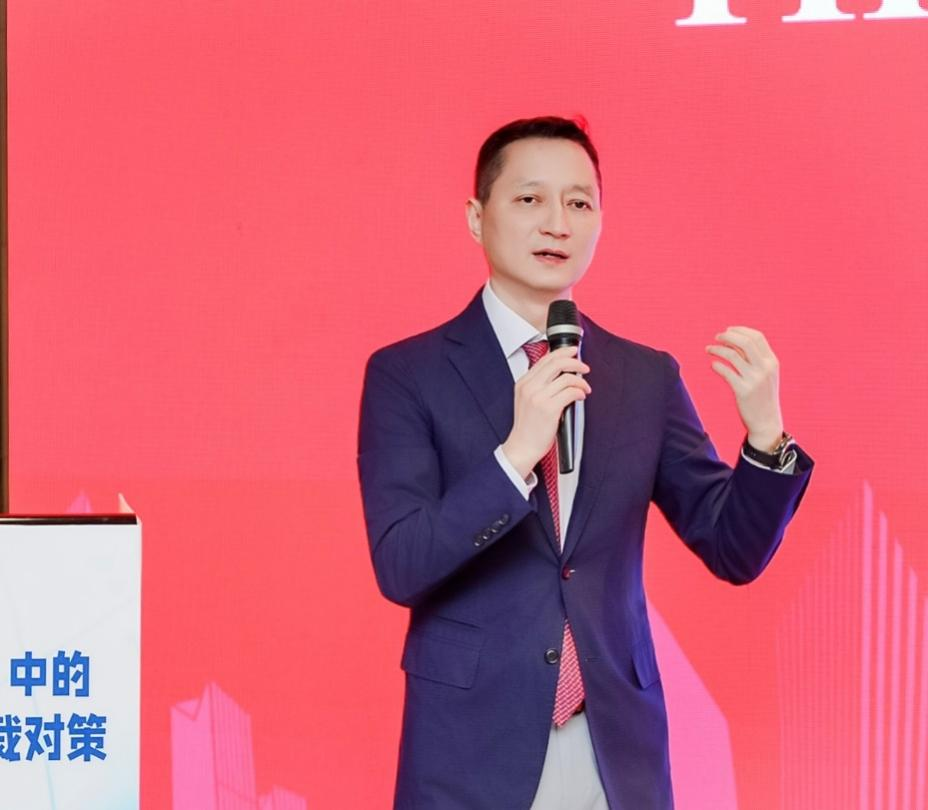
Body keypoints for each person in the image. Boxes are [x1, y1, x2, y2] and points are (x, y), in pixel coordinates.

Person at [357, 116, 813, 810]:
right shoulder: (407, 374)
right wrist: (516, 455)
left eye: (579, 203)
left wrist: (766, 438)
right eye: (530, 199)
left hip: (614, 745)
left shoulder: (644, 377)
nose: (557, 224)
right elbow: (402, 564)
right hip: (468, 746)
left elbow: (733, 550)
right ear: (477, 218)